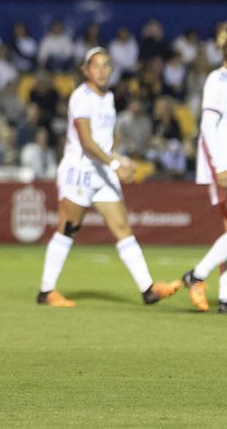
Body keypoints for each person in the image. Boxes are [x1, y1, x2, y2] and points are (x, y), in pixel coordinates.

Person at [36, 49, 181, 308]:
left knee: (123, 228)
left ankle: (148, 289)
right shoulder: (82, 97)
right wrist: (114, 164)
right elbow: (86, 141)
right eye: (96, 66)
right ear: (86, 70)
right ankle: (46, 292)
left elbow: (104, 142)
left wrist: (119, 158)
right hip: (80, 171)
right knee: (68, 228)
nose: (102, 70)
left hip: (102, 172)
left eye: (106, 66)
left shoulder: (109, 98)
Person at [180, 31, 227, 312]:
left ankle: (224, 297)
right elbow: (208, 128)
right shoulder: (217, 80)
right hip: (221, 165)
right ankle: (197, 275)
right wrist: (220, 167)